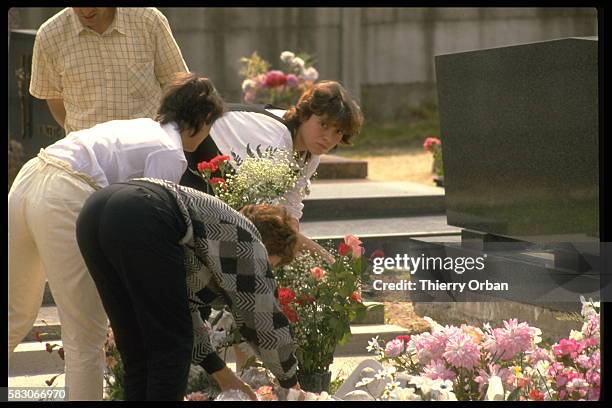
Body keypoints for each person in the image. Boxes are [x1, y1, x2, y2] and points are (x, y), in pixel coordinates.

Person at [8, 73, 224, 400]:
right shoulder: (171, 151)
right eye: (210, 126)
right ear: (203, 120)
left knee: (14, 312)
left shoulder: (139, 126)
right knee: (85, 338)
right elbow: (145, 223)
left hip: (30, 176)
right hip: (64, 193)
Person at [75, 177, 307, 400]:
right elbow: (262, 315)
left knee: (137, 348)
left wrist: (224, 376)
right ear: (269, 249)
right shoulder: (250, 240)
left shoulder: (211, 231)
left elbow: (183, 313)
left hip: (94, 212)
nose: (267, 272)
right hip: (143, 212)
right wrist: (292, 385)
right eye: (271, 265)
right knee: (170, 351)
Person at [181, 80, 364, 263]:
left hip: (219, 177)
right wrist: (327, 260)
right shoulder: (275, 140)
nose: (328, 138)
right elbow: (269, 218)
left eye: (338, 131)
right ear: (305, 114)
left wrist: (293, 258)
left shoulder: (309, 152)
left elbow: (291, 208)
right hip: (187, 153)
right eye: (323, 125)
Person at [29, 7, 188, 133]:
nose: (86, 10)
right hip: (86, 158)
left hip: (145, 152)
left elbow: (176, 84)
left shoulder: (148, 20)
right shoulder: (49, 36)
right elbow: (53, 97)